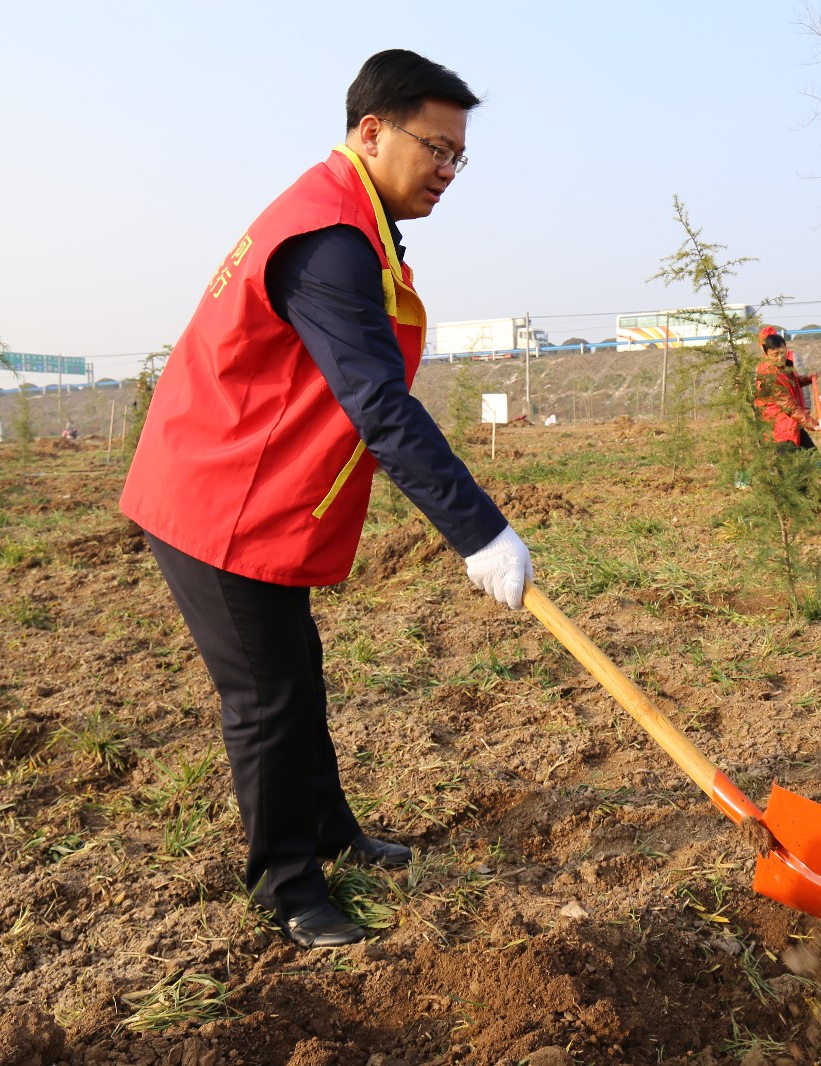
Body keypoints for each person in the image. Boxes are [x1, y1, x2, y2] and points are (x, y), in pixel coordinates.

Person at [119, 51, 534, 948]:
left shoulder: (347, 218)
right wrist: (481, 532)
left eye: (461, 155)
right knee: (266, 696)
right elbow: (379, 403)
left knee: (296, 672)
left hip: (252, 486)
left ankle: (333, 835)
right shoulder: (328, 241)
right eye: (436, 148)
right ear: (371, 131)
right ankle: (286, 885)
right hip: (215, 498)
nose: (448, 171)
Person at [753, 332, 819, 450]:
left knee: (814, 461)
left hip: (792, 424)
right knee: (793, 465)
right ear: (766, 354)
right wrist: (813, 424)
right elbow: (789, 406)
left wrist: (807, 379)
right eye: (775, 354)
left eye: (782, 353)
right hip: (779, 431)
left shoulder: (783, 368)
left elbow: (791, 384)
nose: (780, 357)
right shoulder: (769, 377)